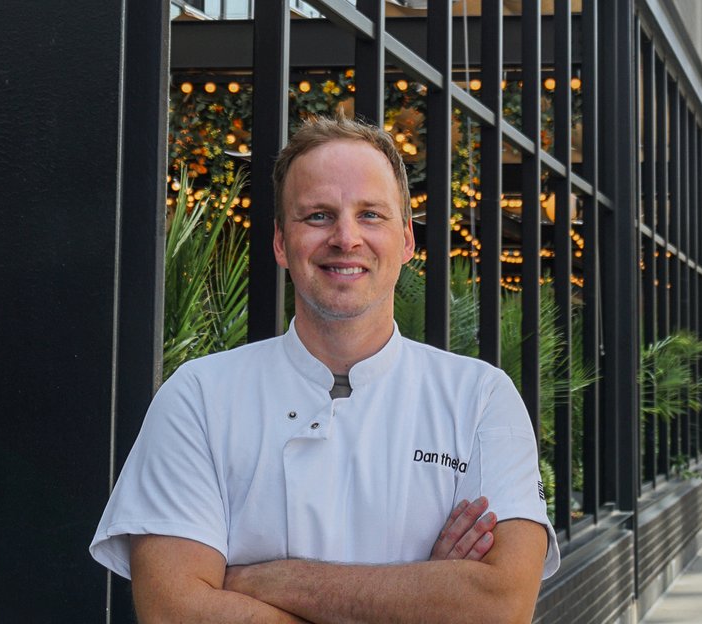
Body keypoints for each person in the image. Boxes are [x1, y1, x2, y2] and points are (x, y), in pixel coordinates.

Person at [90, 115, 559, 623]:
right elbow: (173, 612)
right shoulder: (199, 396)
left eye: (371, 215)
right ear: (279, 241)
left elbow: (501, 605)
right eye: (317, 216)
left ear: (406, 241)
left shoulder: (480, 397)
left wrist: (266, 580)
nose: (346, 238)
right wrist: (421, 600)